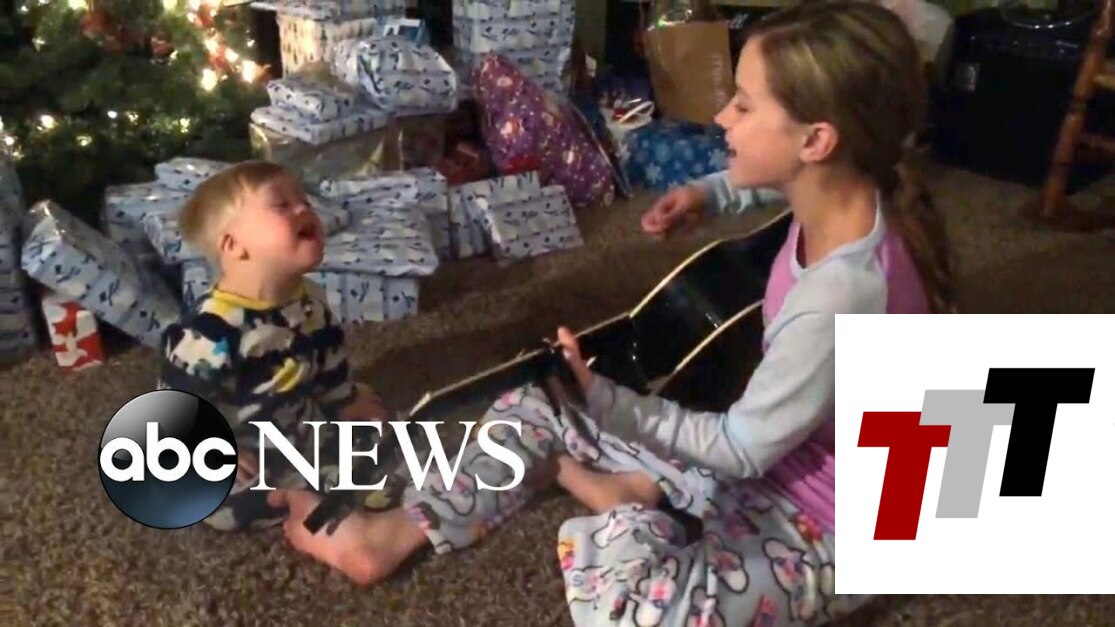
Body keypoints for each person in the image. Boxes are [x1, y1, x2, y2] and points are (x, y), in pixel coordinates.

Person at [266, 1, 957, 625]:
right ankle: (393, 532)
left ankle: (628, 501)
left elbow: (741, 447)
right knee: (540, 400)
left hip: (837, 522)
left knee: (642, 611)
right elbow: (775, 189)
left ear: (816, 141)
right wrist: (709, 194)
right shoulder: (851, 188)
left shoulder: (843, 293)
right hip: (771, 456)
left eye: (745, 106)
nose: (722, 117)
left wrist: (609, 401)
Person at [159, 160, 387, 532]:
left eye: (304, 201)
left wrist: (345, 399)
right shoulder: (211, 331)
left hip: (300, 425)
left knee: (378, 434)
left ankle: (330, 482)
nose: (303, 209)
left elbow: (329, 358)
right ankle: (288, 498)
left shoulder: (310, 299)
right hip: (244, 446)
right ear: (234, 246)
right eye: (281, 205)